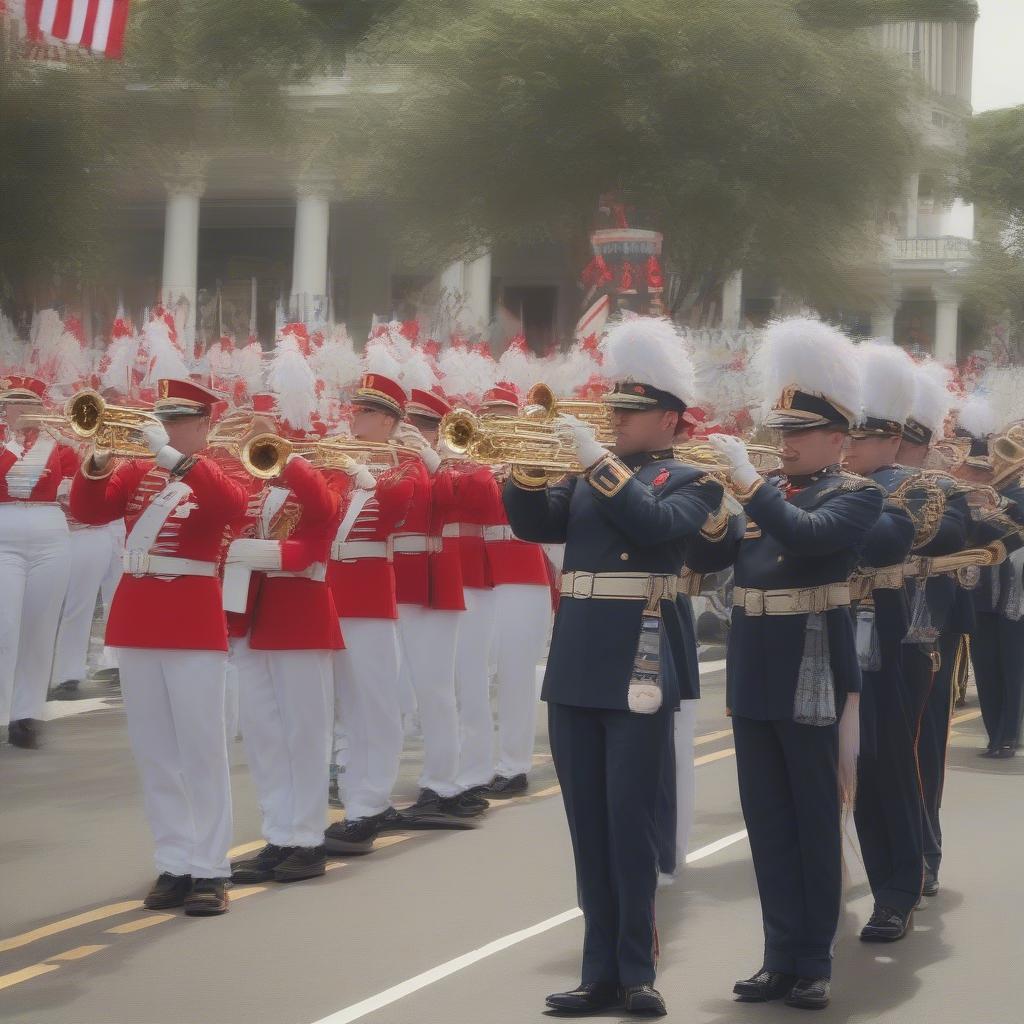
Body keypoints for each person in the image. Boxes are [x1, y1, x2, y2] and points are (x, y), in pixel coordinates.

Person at [505, 317, 738, 1018]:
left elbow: (655, 526)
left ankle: (637, 969)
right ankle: (596, 970)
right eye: (614, 412)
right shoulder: (587, 476)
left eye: (630, 414)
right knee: (587, 828)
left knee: (629, 822)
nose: (614, 422)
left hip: (639, 661)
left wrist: (595, 465)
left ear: (669, 417)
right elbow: (533, 522)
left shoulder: (693, 481)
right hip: (577, 660)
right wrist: (520, 469)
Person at [704, 318, 883, 1010]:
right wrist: (713, 504)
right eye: (782, 432)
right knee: (767, 820)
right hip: (752, 668)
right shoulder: (765, 496)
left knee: (812, 819)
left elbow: (808, 539)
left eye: (801, 433)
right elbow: (702, 560)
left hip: (809, 670)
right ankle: (778, 954)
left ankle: (814, 958)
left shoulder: (854, 496)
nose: (786, 444)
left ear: (839, 440)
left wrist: (750, 488)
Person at [70, 377, 247, 916]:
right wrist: (95, 462)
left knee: (201, 748)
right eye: (162, 419)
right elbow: (89, 511)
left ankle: (212, 867)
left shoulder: (223, 467)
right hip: (137, 615)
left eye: (178, 421)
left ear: (204, 425)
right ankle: (174, 861)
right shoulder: (137, 470)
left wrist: (168, 454)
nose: (165, 428)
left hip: (192, 614)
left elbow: (229, 506)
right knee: (155, 751)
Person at [226, 411, 350, 885]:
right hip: (255, 615)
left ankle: (308, 838)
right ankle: (278, 834)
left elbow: (319, 519)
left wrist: (291, 459)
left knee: (304, 734)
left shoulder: (325, 477)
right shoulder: (260, 489)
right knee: (263, 736)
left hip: (301, 617)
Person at [843, 341, 922, 943]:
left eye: (864, 438)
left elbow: (923, 534)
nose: (852, 447)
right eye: (848, 436)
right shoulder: (826, 481)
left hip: (885, 634)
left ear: (892, 441)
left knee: (882, 766)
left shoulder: (912, 487)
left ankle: (897, 889)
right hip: (819, 630)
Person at [896, 360, 969, 898]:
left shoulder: (946, 490)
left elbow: (963, 534)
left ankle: (924, 852)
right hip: (858, 629)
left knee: (921, 748)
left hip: (925, 635)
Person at [475, 386, 554, 799]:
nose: (495, 421)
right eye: (489, 415)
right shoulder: (476, 459)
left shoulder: (531, 458)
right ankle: (483, 762)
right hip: (480, 572)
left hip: (522, 570)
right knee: (476, 675)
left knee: (514, 675)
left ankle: (514, 765)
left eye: (503, 414)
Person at [0, 376, 77, 747]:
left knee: (39, 626)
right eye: (15, 403)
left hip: (48, 528)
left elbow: (82, 474)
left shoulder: (56, 444)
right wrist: (14, 443)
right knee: (5, 625)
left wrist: (74, 438)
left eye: (29, 403)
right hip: (5, 528)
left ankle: (25, 714)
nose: (23, 410)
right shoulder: (3, 442)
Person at [956, 396, 1024, 758]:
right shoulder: (982, 495)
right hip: (981, 589)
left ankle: (1008, 734)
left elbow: (1014, 530)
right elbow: (968, 533)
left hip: (1013, 593)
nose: (997, 461)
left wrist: (990, 504)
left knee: (1012, 665)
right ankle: (993, 731)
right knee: (985, 665)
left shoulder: (1016, 495)